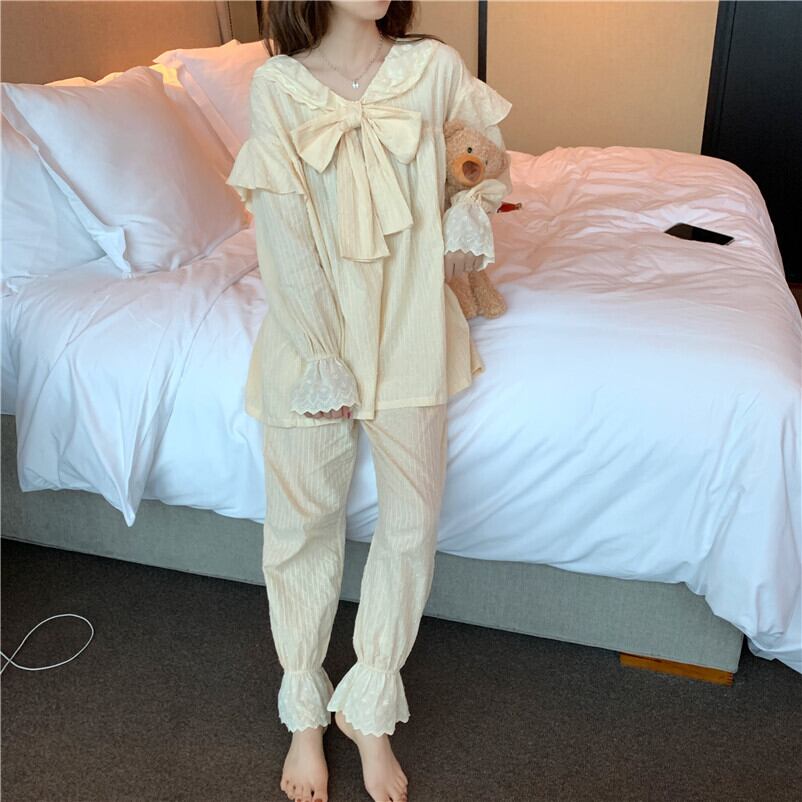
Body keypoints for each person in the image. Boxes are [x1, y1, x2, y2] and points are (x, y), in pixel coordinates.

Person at [226, 2, 513, 801]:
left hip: (414, 322)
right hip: (310, 335)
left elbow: (485, 161)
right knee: (301, 526)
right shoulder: (278, 86)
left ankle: (370, 707)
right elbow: (284, 234)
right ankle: (305, 713)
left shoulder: (435, 67)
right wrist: (322, 356)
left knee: (413, 523)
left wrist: (470, 207)